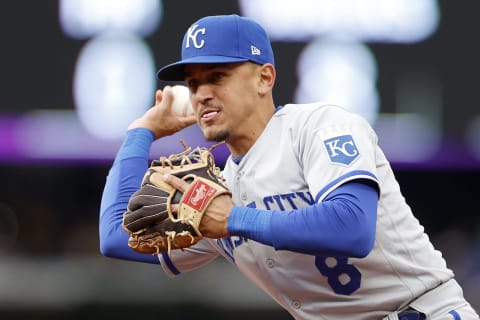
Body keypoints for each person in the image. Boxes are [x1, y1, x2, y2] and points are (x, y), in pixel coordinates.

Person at [99, 14, 479, 320]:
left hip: (421, 312)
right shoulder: (215, 192)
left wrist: (233, 219)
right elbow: (117, 237)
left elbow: (352, 228)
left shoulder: (318, 127)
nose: (202, 94)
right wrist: (140, 132)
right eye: (193, 83)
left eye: (218, 76)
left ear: (265, 77)